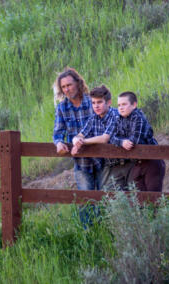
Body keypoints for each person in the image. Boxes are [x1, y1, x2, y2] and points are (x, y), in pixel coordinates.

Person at [52, 67, 97, 226]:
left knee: (106, 197)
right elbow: (58, 133)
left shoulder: (93, 101)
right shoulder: (62, 108)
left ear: (78, 83)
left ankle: (108, 232)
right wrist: (58, 143)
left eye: (69, 85)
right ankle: (89, 233)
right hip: (81, 162)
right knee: (85, 199)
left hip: (103, 159)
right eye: (63, 87)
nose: (67, 89)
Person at [70, 85, 133, 192]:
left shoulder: (116, 115)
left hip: (129, 160)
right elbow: (80, 134)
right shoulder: (93, 118)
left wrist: (83, 142)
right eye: (93, 103)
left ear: (108, 102)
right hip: (110, 164)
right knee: (108, 196)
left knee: (136, 195)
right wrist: (76, 140)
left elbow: (105, 138)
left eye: (99, 102)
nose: (96, 106)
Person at [110, 91, 165, 191]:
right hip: (137, 162)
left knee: (153, 196)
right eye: (118, 105)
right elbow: (112, 137)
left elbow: (134, 141)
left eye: (124, 104)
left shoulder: (138, 117)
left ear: (134, 105)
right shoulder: (119, 119)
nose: (121, 108)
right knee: (138, 197)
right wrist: (122, 142)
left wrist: (122, 141)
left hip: (151, 160)